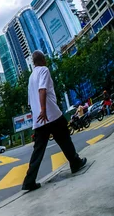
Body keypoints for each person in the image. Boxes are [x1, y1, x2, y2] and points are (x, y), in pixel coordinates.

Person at [22, 51, 87, 191]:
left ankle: (29, 181)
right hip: (51, 114)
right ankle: (75, 163)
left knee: (38, 151)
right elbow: (42, 90)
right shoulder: (44, 70)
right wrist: (44, 110)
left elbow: (29, 102)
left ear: (34, 62)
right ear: (43, 60)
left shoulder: (31, 77)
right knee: (64, 138)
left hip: (39, 120)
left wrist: (39, 113)